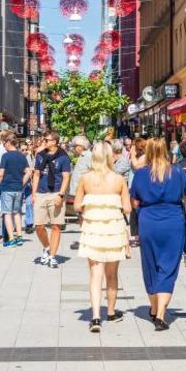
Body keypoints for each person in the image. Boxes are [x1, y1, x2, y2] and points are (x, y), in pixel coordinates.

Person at [130, 137, 186, 331]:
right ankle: (160, 315)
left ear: (148, 152)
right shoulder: (176, 172)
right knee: (168, 267)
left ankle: (153, 307)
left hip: (148, 222)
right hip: (173, 222)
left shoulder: (141, 174)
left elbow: (134, 202)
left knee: (150, 264)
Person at [74, 142, 131, 333]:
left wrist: (91, 205)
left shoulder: (85, 178)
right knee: (112, 274)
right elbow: (127, 208)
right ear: (110, 157)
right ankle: (112, 312)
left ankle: (96, 316)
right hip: (114, 230)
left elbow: (76, 205)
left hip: (93, 229)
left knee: (95, 274)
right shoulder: (119, 179)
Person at [31, 131, 71, 268]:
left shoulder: (63, 157)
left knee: (55, 225)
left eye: (47, 140)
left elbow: (66, 177)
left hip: (56, 193)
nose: (44, 142)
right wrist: (34, 194)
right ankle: (47, 247)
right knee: (39, 226)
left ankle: (52, 256)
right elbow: (36, 175)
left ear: (54, 141)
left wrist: (61, 195)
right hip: (41, 193)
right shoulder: (40, 155)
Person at [0, 134, 31, 247]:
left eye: (4, 143)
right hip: (18, 189)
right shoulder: (22, 156)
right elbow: (28, 172)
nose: (3, 145)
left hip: (7, 188)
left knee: (7, 213)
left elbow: (1, 174)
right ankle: (19, 236)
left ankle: (11, 238)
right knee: (17, 213)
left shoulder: (5, 156)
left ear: (8, 142)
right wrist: (21, 183)